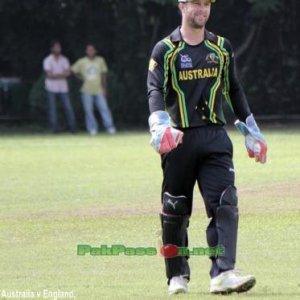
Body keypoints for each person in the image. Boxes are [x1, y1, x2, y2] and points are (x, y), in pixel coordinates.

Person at [147, 0, 267, 295]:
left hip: (215, 138)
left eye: (206, 4)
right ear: (182, 6)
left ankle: (223, 272)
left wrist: (251, 130)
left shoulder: (222, 47)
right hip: (179, 140)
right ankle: (177, 276)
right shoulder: (165, 50)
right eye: (195, 3)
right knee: (175, 208)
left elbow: (234, 88)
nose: (201, 9)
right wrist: (160, 126)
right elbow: (155, 90)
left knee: (226, 201)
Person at [71, 44, 116, 135]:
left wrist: (104, 88)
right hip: (86, 90)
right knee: (88, 111)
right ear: (86, 51)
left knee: (104, 108)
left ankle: (110, 127)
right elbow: (72, 70)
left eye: (92, 50)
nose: (90, 51)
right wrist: (80, 78)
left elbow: (103, 75)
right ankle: (92, 128)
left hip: (99, 89)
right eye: (88, 50)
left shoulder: (100, 60)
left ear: (95, 51)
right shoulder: (81, 61)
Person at [43, 41, 76, 133]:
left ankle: (72, 127)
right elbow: (49, 75)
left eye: (59, 47)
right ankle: (54, 128)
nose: (58, 49)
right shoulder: (47, 60)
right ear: (52, 49)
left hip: (63, 87)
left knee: (68, 107)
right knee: (52, 109)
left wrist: (56, 75)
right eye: (56, 47)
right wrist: (62, 74)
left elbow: (68, 73)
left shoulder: (64, 59)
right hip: (51, 87)